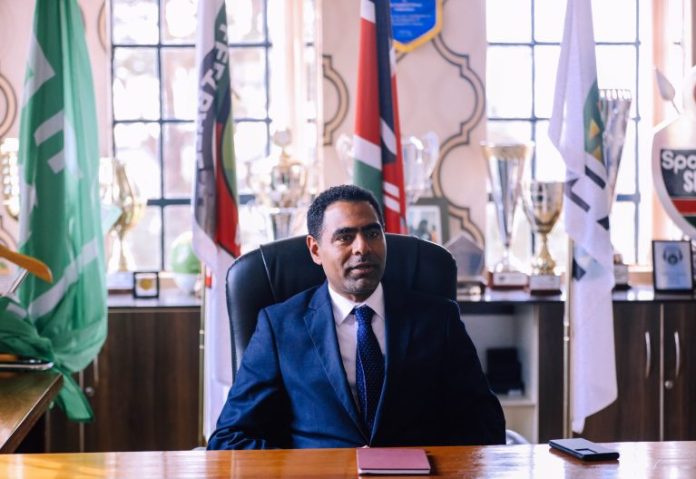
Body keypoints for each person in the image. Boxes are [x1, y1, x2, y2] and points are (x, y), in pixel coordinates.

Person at [208, 185, 505, 449]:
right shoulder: (279, 326)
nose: (362, 247)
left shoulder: (438, 319)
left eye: (373, 233)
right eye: (345, 237)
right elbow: (231, 437)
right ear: (315, 250)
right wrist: (303, 470)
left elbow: (484, 423)